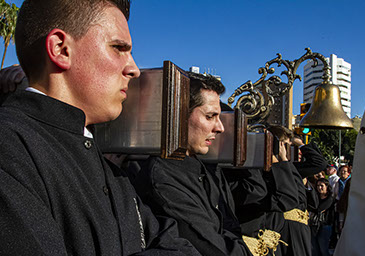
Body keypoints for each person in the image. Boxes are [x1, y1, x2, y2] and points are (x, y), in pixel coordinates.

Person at [0, 1, 200, 255]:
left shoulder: (100, 162)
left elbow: (177, 245)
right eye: (118, 48)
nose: (134, 69)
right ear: (61, 49)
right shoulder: (10, 149)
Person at [133, 72, 253, 256]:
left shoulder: (201, 167)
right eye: (210, 116)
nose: (220, 127)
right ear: (180, 116)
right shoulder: (163, 177)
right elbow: (214, 247)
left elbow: (229, 227)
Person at [228, 126, 327, 256]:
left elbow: (318, 164)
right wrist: (277, 159)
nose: (287, 151)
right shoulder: (265, 169)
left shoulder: (288, 167)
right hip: (280, 231)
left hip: (293, 231)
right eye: (284, 146)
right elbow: (287, 198)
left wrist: (300, 145)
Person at [309, 178, 335, 256]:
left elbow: (319, 209)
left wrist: (313, 208)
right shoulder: (316, 197)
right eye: (318, 186)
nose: (319, 188)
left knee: (323, 248)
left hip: (325, 225)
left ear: (327, 186)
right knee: (314, 248)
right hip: (314, 224)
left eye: (322, 185)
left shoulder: (330, 198)